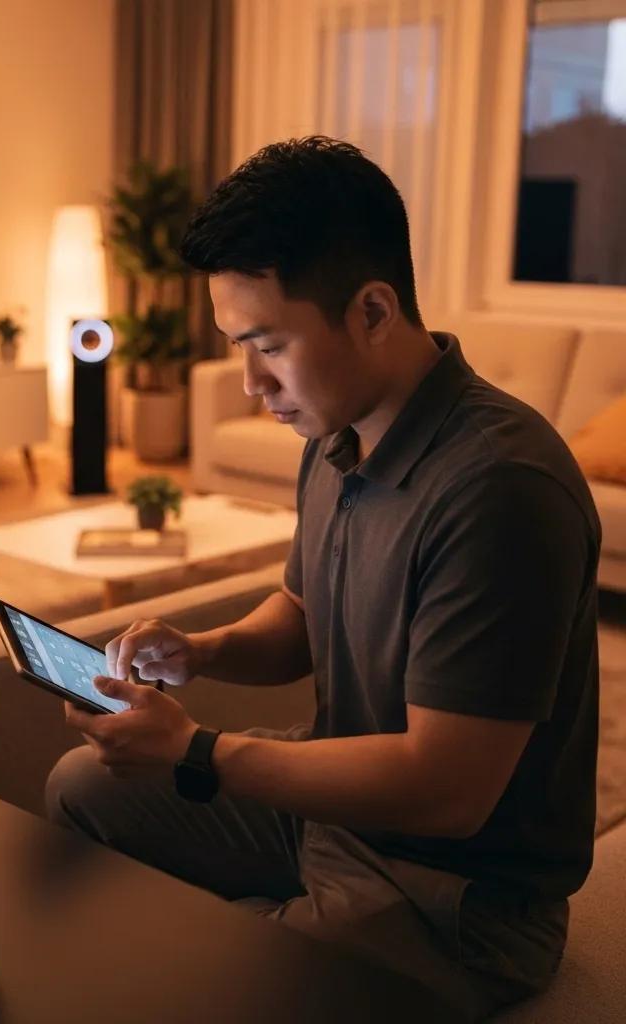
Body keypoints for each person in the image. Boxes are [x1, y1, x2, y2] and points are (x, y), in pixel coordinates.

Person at [44, 137, 601, 1021]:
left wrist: (199, 752)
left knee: (211, 979)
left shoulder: (501, 489)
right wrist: (204, 649)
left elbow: (447, 791)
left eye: (268, 344)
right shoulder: (336, 434)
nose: (250, 383)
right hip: (334, 812)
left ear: (374, 310)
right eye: (238, 344)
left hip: (457, 896)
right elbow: (305, 612)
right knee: (81, 786)